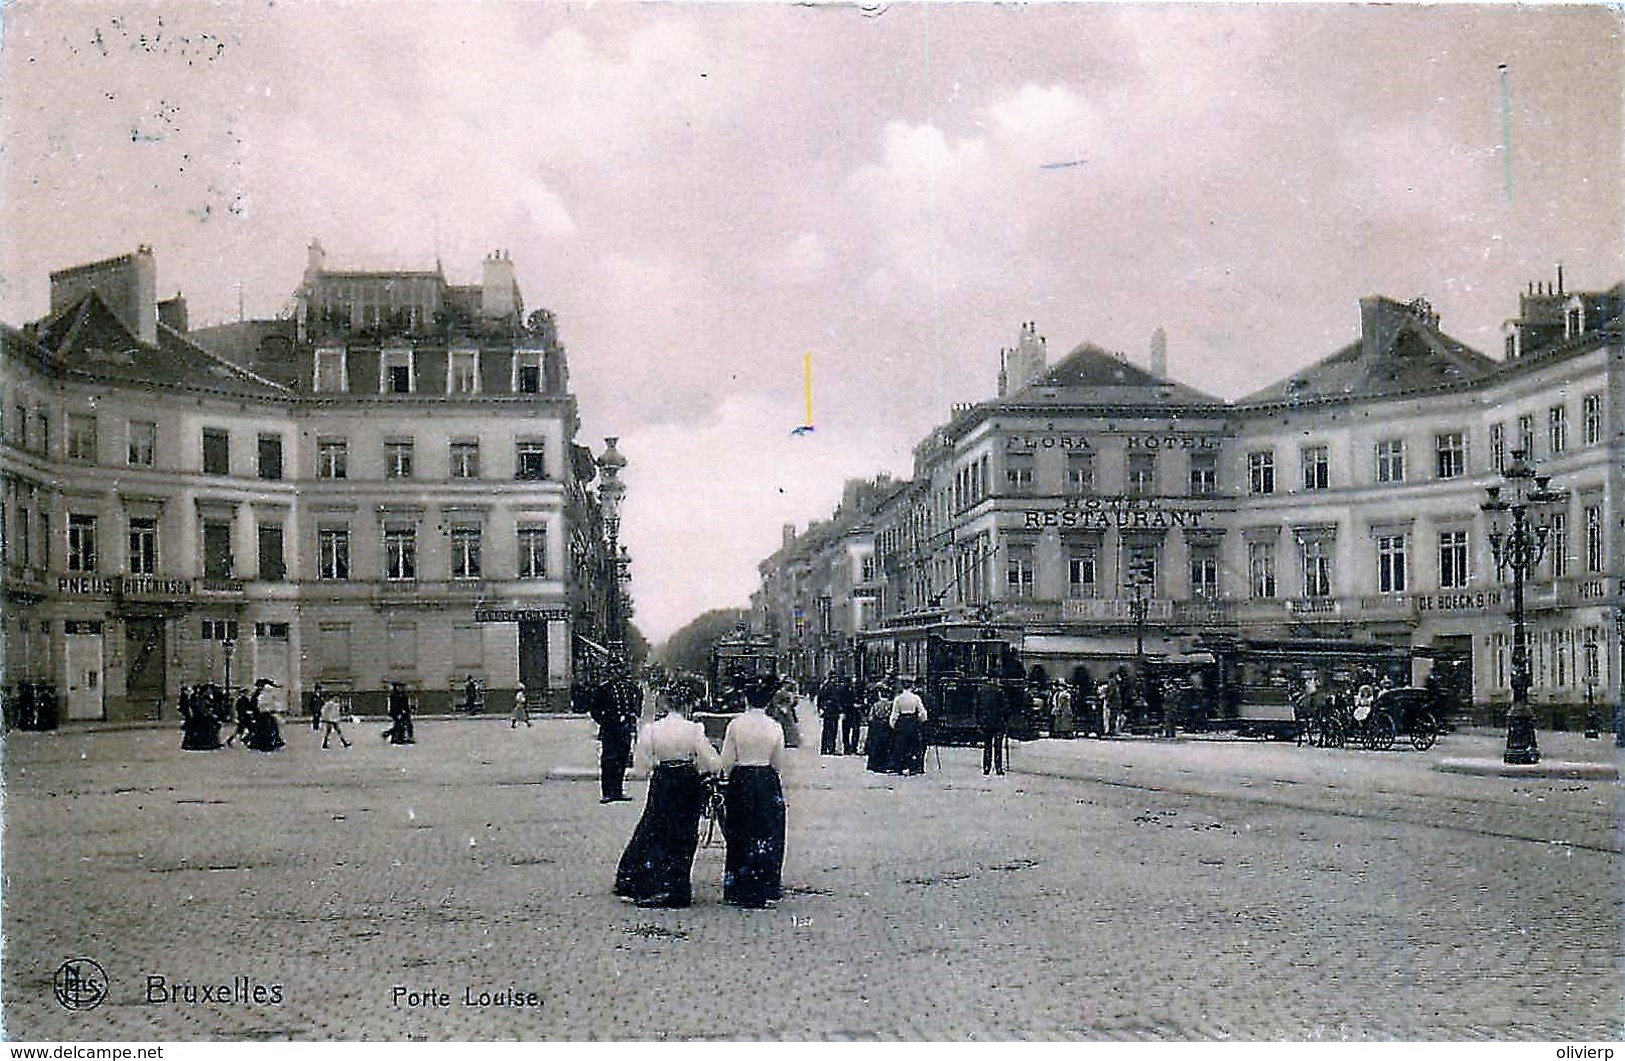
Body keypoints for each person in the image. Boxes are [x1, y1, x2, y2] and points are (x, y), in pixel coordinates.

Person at [614, 683, 721, 908]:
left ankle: (654, 882)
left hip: (663, 780)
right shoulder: (694, 729)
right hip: (686, 781)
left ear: (666, 703)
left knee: (656, 828)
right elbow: (711, 762)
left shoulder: (652, 729)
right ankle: (679, 885)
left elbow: (641, 765)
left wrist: (657, 766)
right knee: (684, 833)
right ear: (687, 705)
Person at [719, 678, 787, 908]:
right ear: (768, 702)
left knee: (739, 830)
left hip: (741, 779)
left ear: (746, 699)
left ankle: (738, 885)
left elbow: (727, 760)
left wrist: (726, 780)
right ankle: (764, 884)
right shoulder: (775, 726)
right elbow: (778, 762)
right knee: (766, 831)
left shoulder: (736, 725)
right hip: (766, 779)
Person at [592, 660, 643, 804]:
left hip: (624, 730)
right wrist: (606, 722)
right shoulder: (603, 689)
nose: (616, 673)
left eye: (618, 670)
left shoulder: (627, 689)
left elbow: (633, 707)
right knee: (609, 761)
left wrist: (631, 721)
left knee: (622, 760)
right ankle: (607, 792)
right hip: (610, 730)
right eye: (613, 670)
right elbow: (595, 710)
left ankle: (618, 790)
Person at [888, 678, 928, 775]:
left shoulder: (898, 698)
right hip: (913, 722)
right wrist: (920, 721)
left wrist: (893, 725)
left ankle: (900, 766)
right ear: (912, 686)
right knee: (914, 746)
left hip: (902, 722)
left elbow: (894, 714)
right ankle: (914, 767)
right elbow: (923, 713)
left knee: (901, 746)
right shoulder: (916, 698)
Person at [976, 677, 1008, 776]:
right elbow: (1005, 708)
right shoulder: (999, 691)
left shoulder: (981, 691)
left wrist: (979, 722)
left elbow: (977, 708)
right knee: (998, 747)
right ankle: (998, 768)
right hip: (998, 723)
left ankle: (986, 767)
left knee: (987, 746)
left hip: (986, 723)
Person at [864, 682, 893, 773]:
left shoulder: (876, 705)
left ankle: (874, 764)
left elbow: (870, 717)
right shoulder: (890, 704)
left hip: (877, 726)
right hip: (886, 725)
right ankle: (885, 764)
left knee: (876, 745)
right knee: (886, 745)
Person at [816, 675, 846, 756]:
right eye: (834, 678)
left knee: (829, 730)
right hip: (831, 711)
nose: (836, 680)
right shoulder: (830, 687)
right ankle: (829, 748)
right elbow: (822, 698)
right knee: (831, 730)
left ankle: (826, 748)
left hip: (832, 711)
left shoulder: (828, 686)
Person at [770, 680, 802, 748]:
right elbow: (775, 702)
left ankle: (791, 741)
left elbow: (793, 703)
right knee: (784, 726)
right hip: (781, 712)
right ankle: (787, 740)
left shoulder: (788, 693)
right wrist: (780, 707)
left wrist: (792, 702)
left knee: (789, 726)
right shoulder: (779, 693)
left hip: (787, 711)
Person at [840, 677, 866, 755]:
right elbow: (842, 702)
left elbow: (860, 700)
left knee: (855, 731)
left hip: (855, 714)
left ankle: (853, 748)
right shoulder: (843, 691)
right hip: (848, 713)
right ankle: (846, 748)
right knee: (846, 731)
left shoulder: (858, 690)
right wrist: (851, 706)